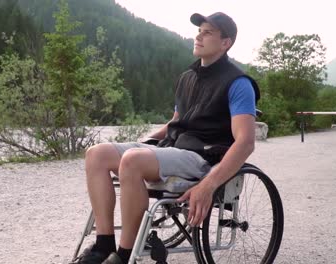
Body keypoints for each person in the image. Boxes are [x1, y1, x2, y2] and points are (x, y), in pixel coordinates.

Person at [72, 11, 260, 264]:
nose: (199, 36)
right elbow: (175, 122)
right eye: (199, 31)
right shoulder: (187, 78)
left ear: (225, 43)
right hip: (174, 147)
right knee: (97, 154)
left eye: (208, 32)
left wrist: (209, 184)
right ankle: (103, 245)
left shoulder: (238, 83)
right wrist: (145, 142)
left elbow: (245, 142)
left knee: (132, 160)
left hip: (202, 155)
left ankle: (124, 256)